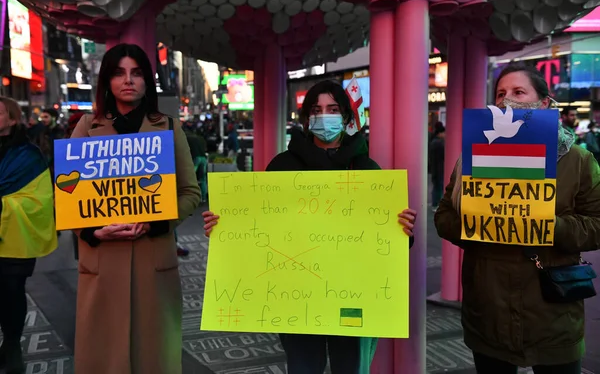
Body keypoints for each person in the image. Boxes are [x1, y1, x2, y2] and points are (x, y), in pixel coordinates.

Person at [202, 80, 417, 374]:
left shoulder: (367, 171)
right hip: (297, 297)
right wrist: (223, 226)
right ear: (306, 119)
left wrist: (402, 230)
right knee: (303, 367)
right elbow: (257, 228)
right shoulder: (282, 167)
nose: (324, 116)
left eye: (332, 109)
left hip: (352, 295)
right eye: (316, 110)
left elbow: (389, 245)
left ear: (345, 118)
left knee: (350, 367)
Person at [434, 63, 600, 374]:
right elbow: (444, 216)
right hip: (488, 311)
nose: (507, 101)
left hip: (553, 315)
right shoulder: (473, 158)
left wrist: (547, 224)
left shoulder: (579, 161)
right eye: (500, 94)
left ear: (544, 103)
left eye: (519, 92)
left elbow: (596, 225)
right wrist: (480, 222)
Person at [69, 43, 201, 374]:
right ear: (107, 81)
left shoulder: (170, 127)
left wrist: (158, 223)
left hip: (152, 261)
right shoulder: (87, 127)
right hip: (102, 263)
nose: (128, 80)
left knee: (154, 358)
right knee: (103, 358)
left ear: (147, 81)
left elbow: (189, 192)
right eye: (119, 73)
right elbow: (68, 198)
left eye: (137, 73)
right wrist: (91, 230)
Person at [0, 97, 57, 374]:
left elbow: (41, 200)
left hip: (15, 240)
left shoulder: (29, 155)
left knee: (11, 293)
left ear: (12, 118)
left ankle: (11, 345)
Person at [429, 124, 445, 210]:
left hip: (434, 168)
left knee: (436, 186)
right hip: (439, 168)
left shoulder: (433, 142)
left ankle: (434, 204)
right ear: (440, 133)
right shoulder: (439, 143)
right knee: (438, 187)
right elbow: (443, 156)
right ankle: (436, 204)